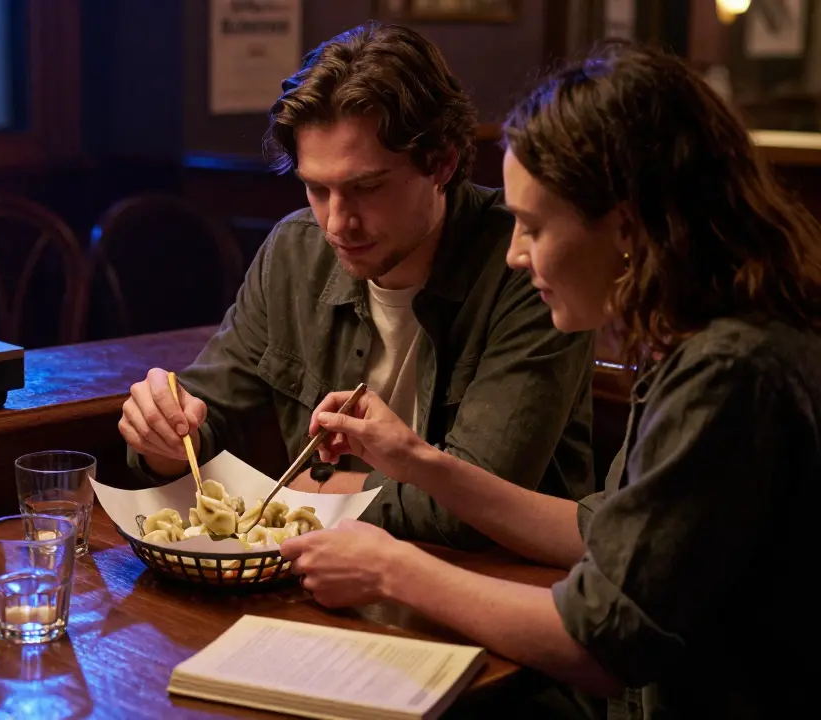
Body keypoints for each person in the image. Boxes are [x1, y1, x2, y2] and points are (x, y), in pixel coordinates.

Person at [284, 41, 821, 718]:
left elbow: (601, 644)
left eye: (533, 227)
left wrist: (393, 570)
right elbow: (602, 531)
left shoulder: (730, 373)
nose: (514, 254)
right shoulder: (713, 336)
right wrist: (417, 461)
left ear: (626, 226)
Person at [117, 23, 597, 550]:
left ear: (442, 163)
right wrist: (163, 438)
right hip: (338, 575)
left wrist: (323, 493)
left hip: (501, 578)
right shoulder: (295, 250)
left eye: (367, 188)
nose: (337, 224)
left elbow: (476, 504)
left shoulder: (526, 264)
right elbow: (203, 419)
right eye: (317, 189)